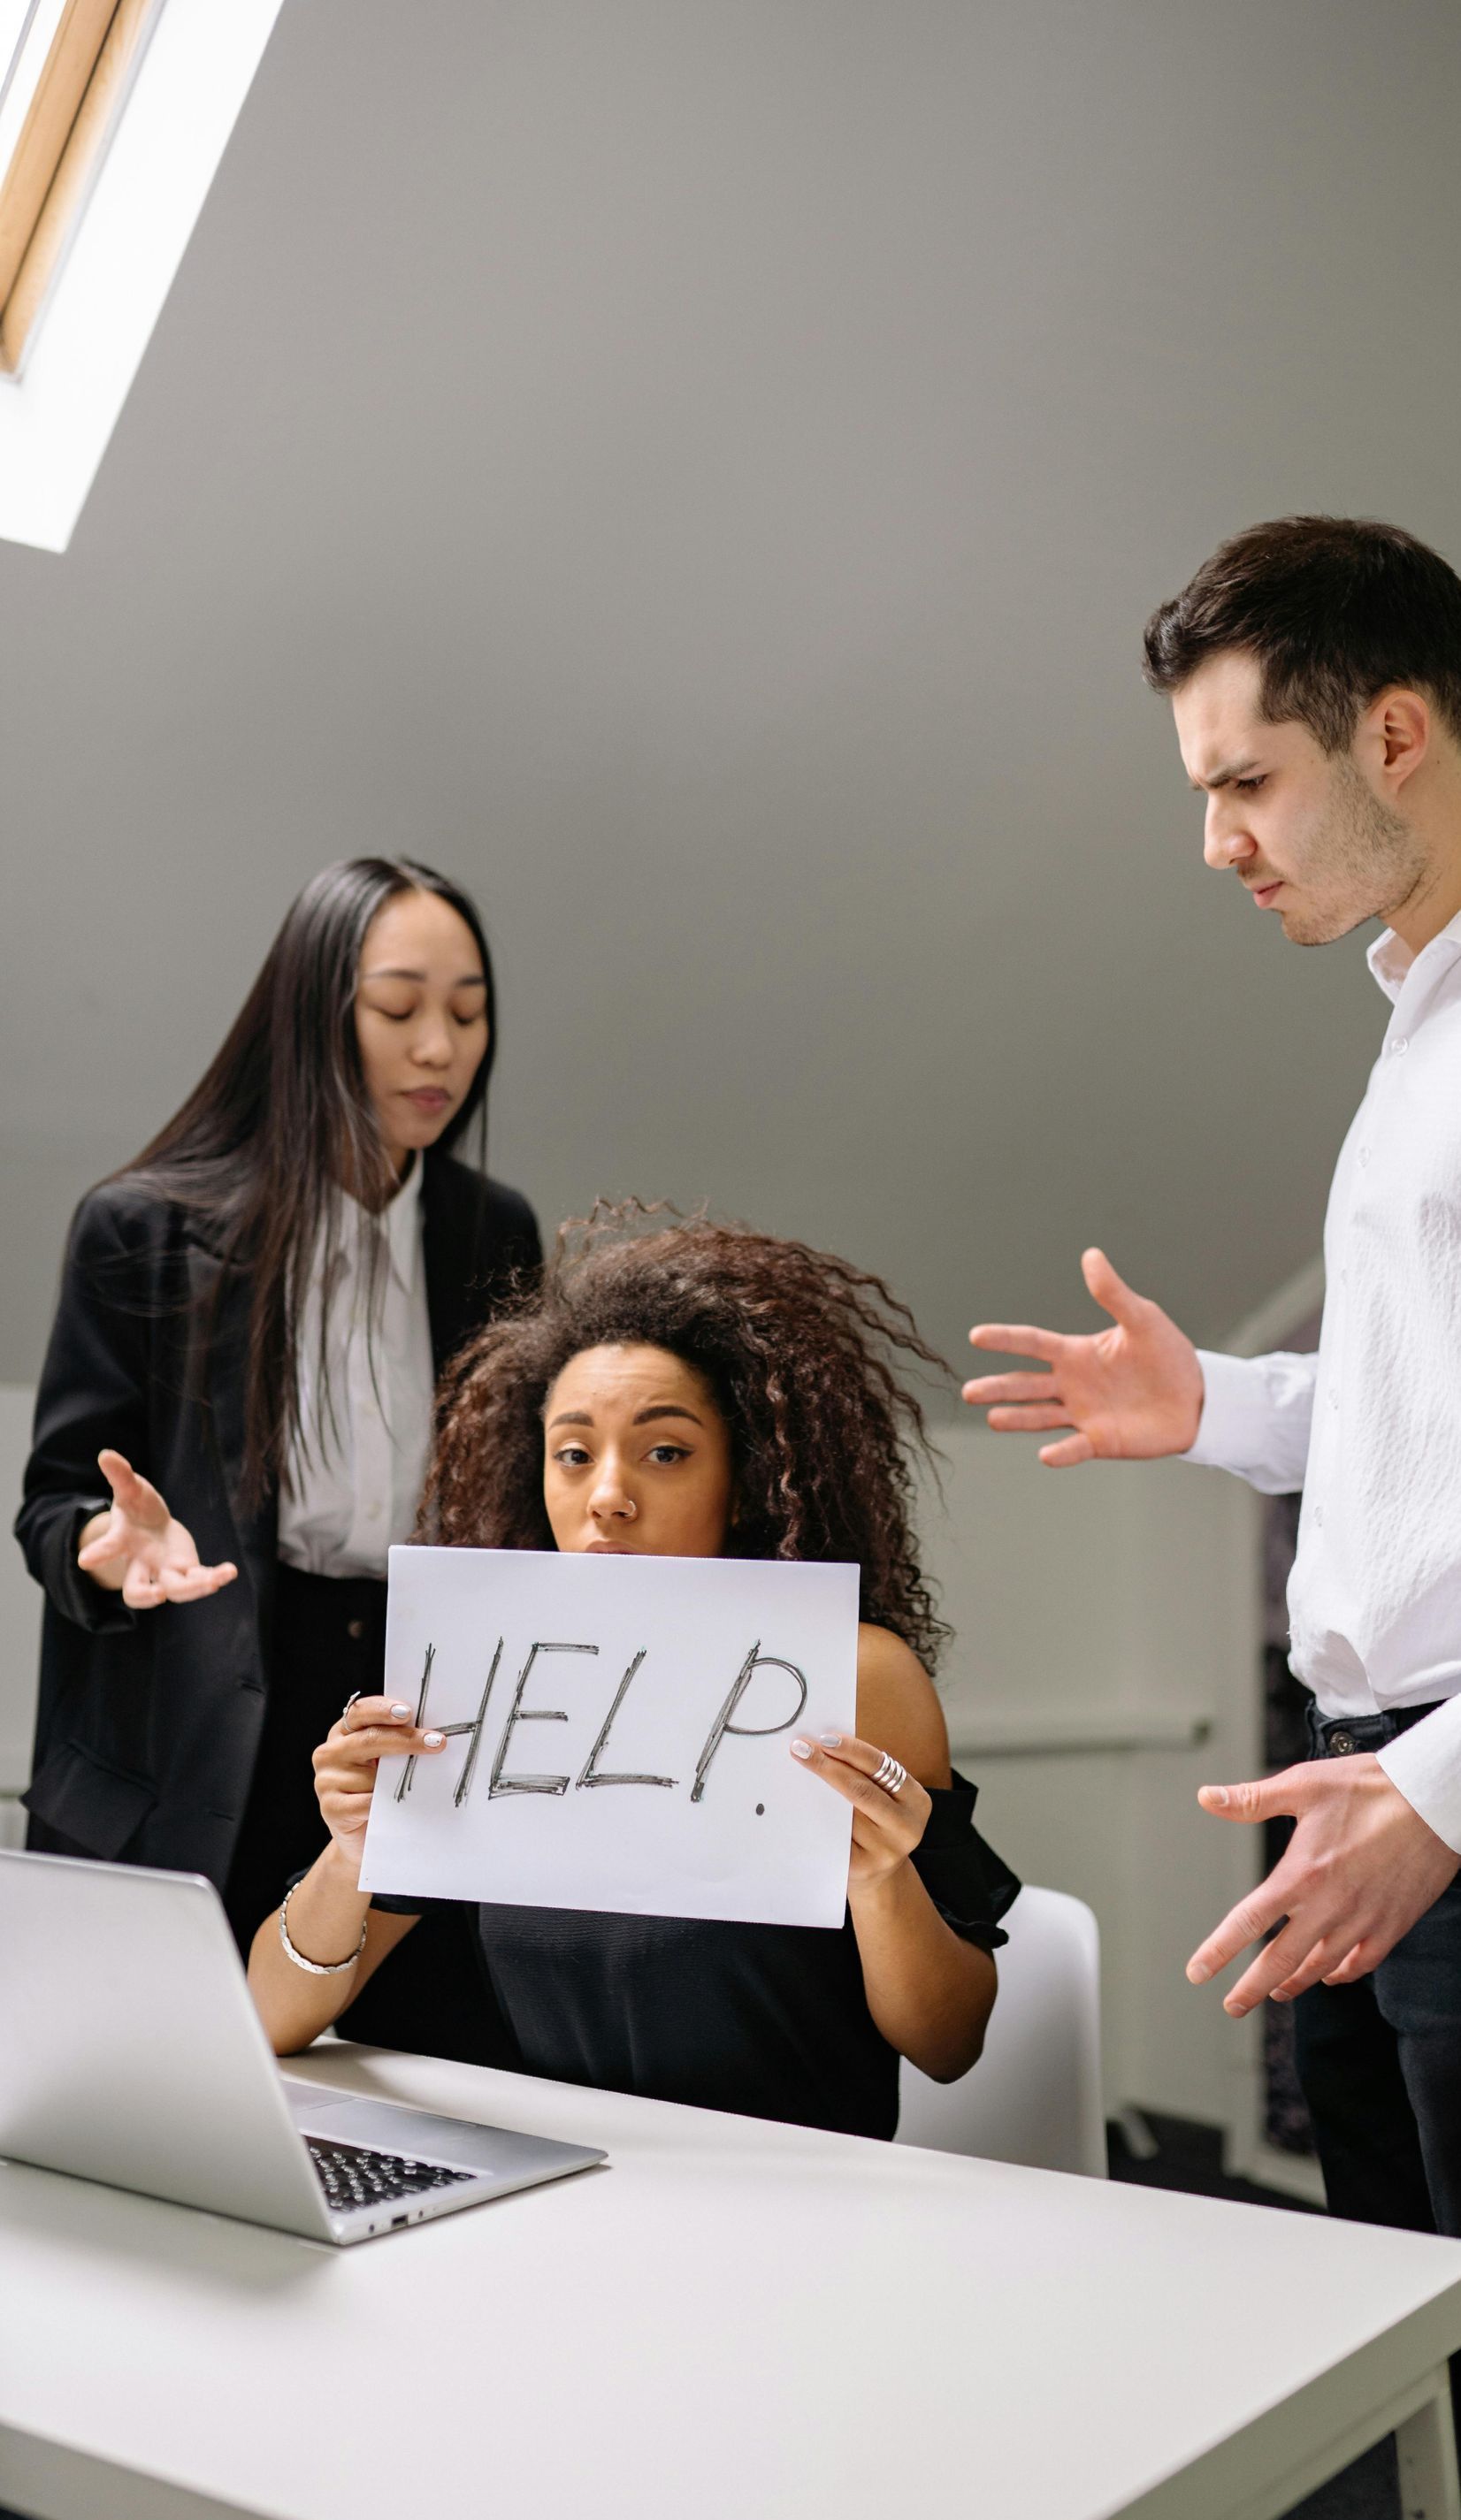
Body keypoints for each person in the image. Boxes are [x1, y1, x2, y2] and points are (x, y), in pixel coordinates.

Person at [964, 515, 1461, 2238]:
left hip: (1437, 1792)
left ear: (1391, 734)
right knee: (1404, 2335)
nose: (1211, 843)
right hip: (1374, 1778)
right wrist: (1216, 1412)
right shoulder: (1419, 1022)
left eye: (1244, 782)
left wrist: (1436, 1793)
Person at [247, 1209, 1015, 2137]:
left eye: (665, 1452)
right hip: (569, 2190)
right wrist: (353, 1851)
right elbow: (274, 2018)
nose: (606, 1494)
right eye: (572, 1454)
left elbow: (948, 2045)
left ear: (745, 1479)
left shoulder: (853, 1674)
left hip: (799, 2204)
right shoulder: (494, 1671)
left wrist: (883, 1881)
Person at [17, 857, 540, 2060]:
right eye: (399, 1007)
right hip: (195, 1725)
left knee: (408, 2112)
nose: (440, 1049)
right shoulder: (143, 1227)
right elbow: (52, 1501)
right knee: (163, 2113)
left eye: (467, 1012)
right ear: (314, 1013)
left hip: (397, 1721)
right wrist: (103, 1549)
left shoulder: (489, 1229)